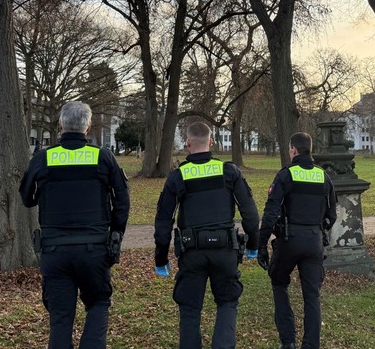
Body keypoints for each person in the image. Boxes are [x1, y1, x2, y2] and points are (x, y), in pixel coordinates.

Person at [19, 101, 130, 349]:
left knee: (60, 318)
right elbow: (122, 200)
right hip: (95, 249)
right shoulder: (103, 157)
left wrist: (41, 196)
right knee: (98, 304)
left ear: (60, 125)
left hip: (55, 251)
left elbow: (26, 198)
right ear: (88, 127)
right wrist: (116, 234)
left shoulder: (43, 158)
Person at [153, 121, 260, 349]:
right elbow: (250, 213)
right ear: (211, 141)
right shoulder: (228, 171)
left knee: (190, 310)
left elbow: (163, 221)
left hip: (192, 252)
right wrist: (253, 244)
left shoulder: (178, 176)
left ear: (188, 144)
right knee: (227, 303)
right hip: (225, 249)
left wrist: (161, 258)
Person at [257, 132, 337, 349]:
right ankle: (311, 345)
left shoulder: (286, 175)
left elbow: (270, 212)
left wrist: (262, 244)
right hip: (314, 241)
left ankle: (288, 340)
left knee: (279, 282)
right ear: (309, 149)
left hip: (288, 240)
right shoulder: (324, 177)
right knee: (312, 295)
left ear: (293, 150)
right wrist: (320, 230)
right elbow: (332, 215)